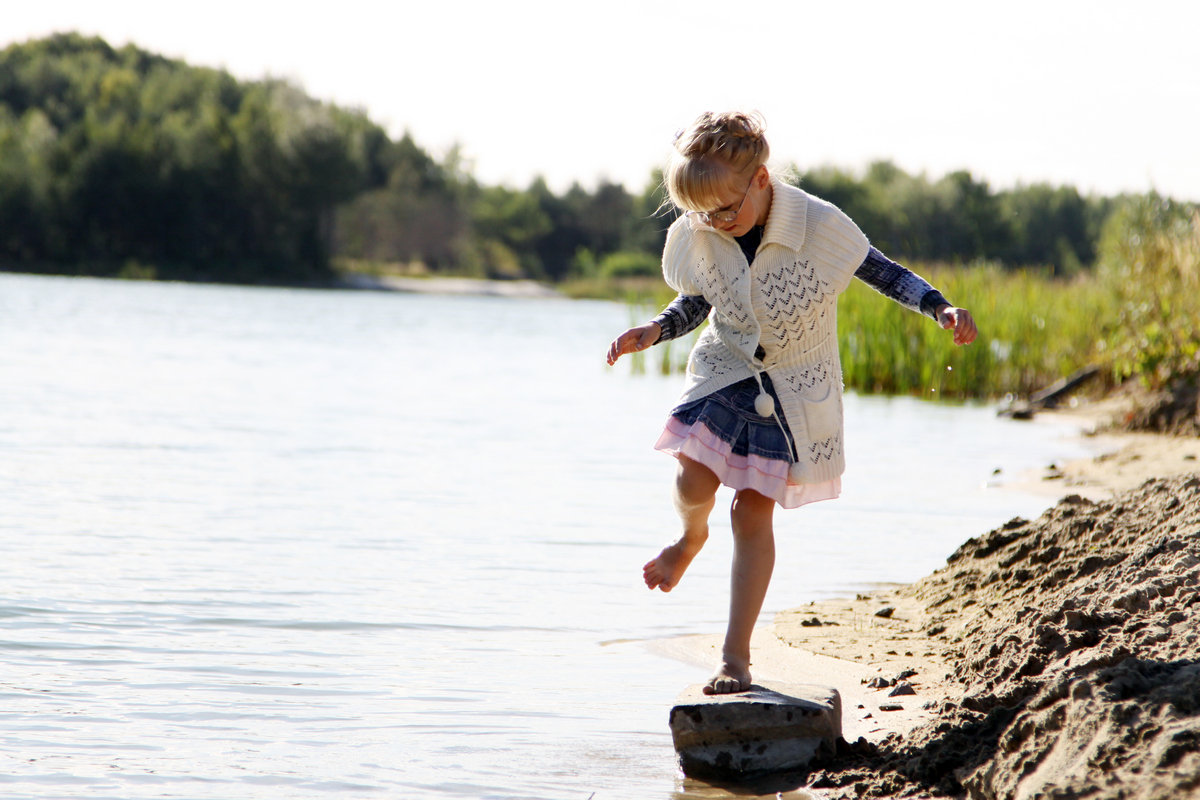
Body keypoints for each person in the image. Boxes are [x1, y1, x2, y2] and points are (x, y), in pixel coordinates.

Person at [605, 111, 977, 695]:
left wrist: (939, 308)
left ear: (761, 179)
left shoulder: (819, 226)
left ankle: (735, 657)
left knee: (751, 513)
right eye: (702, 214)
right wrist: (653, 331)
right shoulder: (704, 229)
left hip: (793, 386)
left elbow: (880, 272)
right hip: (725, 370)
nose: (717, 223)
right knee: (692, 480)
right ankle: (689, 538)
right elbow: (698, 301)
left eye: (727, 209)